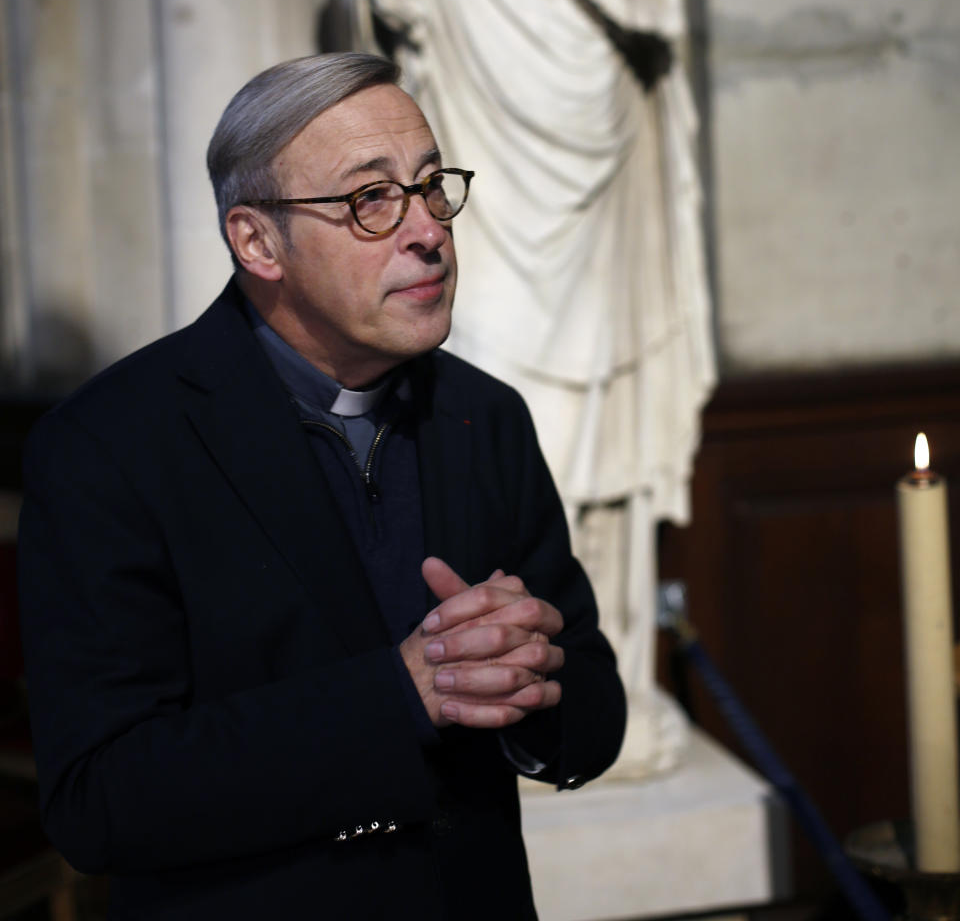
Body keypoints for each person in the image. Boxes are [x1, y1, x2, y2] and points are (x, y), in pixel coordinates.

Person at [17, 51, 625, 921]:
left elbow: (593, 721)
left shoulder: (484, 417)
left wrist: (526, 684)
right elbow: (100, 800)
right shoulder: (109, 446)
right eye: (368, 199)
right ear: (257, 241)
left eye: (431, 186)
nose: (428, 230)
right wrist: (403, 698)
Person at [326, 0, 715, 773]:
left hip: (588, 151)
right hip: (470, 174)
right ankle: (500, 679)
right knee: (495, 411)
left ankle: (609, 679)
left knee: (597, 413)